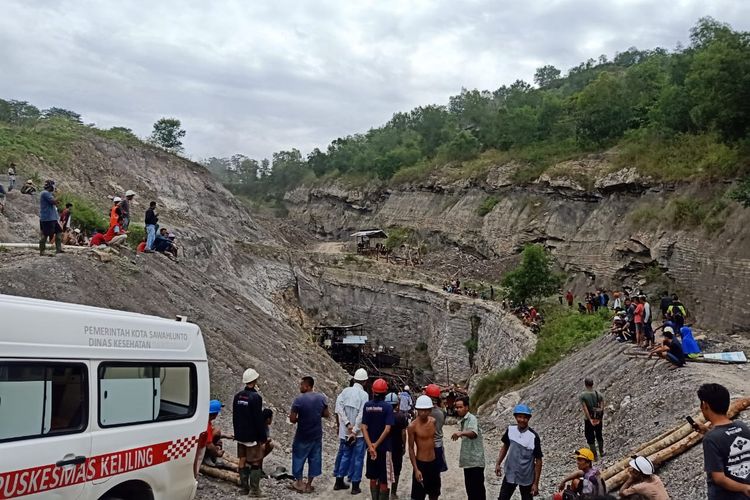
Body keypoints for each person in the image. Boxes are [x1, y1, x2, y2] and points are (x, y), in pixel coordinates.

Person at [694, 383, 750, 499]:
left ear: (705, 405)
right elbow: (726, 438)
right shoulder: (742, 426)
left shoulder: (710, 439)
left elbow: (719, 478)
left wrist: (744, 488)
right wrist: (707, 431)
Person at [289, 376, 329, 494]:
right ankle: (309, 485)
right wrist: (315, 415)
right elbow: (326, 414)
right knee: (315, 459)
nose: (300, 387)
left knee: (298, 457)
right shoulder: (322, 398)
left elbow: (292, 419)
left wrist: (299, 420)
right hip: (316, 435)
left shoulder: (298, 400)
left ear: (307, 386)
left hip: (302, 434)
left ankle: (299, 483)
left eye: (301, 385)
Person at [334, 368, 370, 494]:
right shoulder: (364, 395)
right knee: (358, 459)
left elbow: (339, 409)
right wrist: (354, 430)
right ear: (365, 382)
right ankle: (355, 486)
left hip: (345, 432)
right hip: (358, 434)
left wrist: (347, 424)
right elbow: (362, 415)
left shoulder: (345, 392)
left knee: (345, 455)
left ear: (354, 379)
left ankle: (339, 481)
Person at [495, 404, 543, 500]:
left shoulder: (533, 436)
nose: (522, 420)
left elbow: (538, 460)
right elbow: (505, 447)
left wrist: (535, 483)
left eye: (525, 417)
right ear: (515, 417)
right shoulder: (510, 430)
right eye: (519, 417)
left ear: (528, 419)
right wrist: (498, 463)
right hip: (510, 473)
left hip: (526, 477)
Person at [232, 368, 267, 496]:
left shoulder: (238, 396)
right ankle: (255, 490)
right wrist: (263, 438)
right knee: (256, 461)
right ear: (254, 380)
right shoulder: (256, 397)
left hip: (240, 434)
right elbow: (258, 419)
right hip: (252, 436)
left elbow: (235, 417)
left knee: (242, 459)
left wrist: (237, 433)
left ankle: (244, 487)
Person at [361, 378, 394, 500]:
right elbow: (387, 429)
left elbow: (364, 427)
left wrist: (370, 446)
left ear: (373, 391)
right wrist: (376, 444)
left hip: (371, 451)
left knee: (373, 477)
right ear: (385, 392)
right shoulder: (387, 407)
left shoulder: (367, 406)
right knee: (384, 479)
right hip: (384, 448)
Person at [452, 396, 486, 500]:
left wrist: (461, 433)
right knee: (471, 491)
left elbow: (473, 433)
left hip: (475, 461)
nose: (458, 409)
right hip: (468, 462)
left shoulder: (472, 418)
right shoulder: (464, 420)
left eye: (460, 407)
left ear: (466, 407)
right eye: (457, 407)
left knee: (478, 491)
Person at [408, 395, 441, 500]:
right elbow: (411, 448)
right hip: (421, 463)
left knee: (434, 493)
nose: (424, 413)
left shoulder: (433, 422)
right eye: (421, 410)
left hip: (433, 462)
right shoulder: (413, 426)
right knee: (418, 495)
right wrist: (416, 469)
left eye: (426, 410)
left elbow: (436, 440)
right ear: (417, 410)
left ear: (430, 410)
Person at [385, 392, 409, 499]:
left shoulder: (384, 416)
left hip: (386, 446)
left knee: (386, 469)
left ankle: (385, 492)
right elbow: (403, 432)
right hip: (397, 446)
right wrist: (404, 444)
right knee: (397, 469)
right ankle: (393, 493)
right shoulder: (401, 416)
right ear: (397, 404)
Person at [424, 384, 448, 473]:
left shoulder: (423, 412)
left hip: (425, 445)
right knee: (436, 473)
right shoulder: (442, 412)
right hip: (438, 444)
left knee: (426, 472)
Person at [580, 378, 605, 460]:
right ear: (592, 384)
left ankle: (595, 455)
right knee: (599, 435)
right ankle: (601, 452)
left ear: (585, 384)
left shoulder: (583, 396)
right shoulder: (599, 394)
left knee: (590, 437)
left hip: (589, 420)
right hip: (598, 419)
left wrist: (590, 419)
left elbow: (585, 408)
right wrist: (599, 418)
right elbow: (602, 407)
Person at [39, 180, 63, 256]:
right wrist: (60, 195)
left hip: (53, 218)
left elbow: (55, 202)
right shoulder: (45, 193)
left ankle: (58, 249)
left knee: (59, 232)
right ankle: (42, 251)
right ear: (51, 186)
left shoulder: (48, 194)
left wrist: (56, 199)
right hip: (47, 218)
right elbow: (54, 201)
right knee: (45, 235)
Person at [203, 399, 226, 467]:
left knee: (217, 433)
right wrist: (217, 453)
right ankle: (207, 456)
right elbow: (209, 445)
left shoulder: (206, 420)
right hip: (201, 447)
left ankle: (212, 455)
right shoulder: (206, 425)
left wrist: (227, 436)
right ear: (215, 414)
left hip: (201, 443)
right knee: (217, 434)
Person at [261, 408, 275, 472]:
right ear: (268, 419)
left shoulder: (266, 427)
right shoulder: (260, 426)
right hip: (253, 447)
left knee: (270, 444)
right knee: (264, 446)